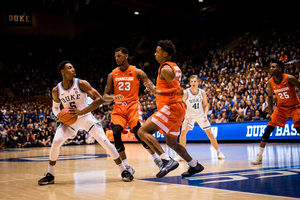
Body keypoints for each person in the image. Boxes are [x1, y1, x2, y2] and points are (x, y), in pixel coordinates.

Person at [38, 60, 133, 185]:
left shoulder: (81, 83)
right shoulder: (56, 90)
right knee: (55, 142)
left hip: (86, 118)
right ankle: (50, 174)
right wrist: (59, 117)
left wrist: (81, 112)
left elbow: (99, 100)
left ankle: (124, 170)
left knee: (105, 142)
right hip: (70, 121)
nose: (73, 69)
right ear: (62, 71)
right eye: (70, 68)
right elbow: (55, 108)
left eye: (73, 67)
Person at [138, 40, 204, 178]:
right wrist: (156, 90)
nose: (155, 54)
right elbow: (171, 88)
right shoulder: (173, 67)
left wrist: (157, 91)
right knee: (171, 142)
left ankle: (166, 160)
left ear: (165, 53)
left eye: (157, 51)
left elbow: (178, 90)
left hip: (171, 107)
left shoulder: (166, 69)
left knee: (142, 131)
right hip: (176, 108)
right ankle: (194, 165)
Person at [104, 47, 162, 175]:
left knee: (138, 132)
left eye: (119, 56)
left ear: (126, 56)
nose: (117, 59)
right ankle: (126, 166)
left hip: (133, 106)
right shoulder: (112, 74)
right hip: (119, 107)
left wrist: (160, 93)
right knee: (116, 132)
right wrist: (113, 97)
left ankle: (156, 158)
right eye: (115, 57)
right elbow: (105, 96)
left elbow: (151, 86)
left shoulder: (137, 72)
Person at [251, 60, 300, 164]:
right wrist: (270, 112)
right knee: (268, 129)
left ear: (280, 69)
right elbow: (269, 98)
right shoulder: (270, 82)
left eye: (274, 67)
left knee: (299, 128)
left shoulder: (289, 78)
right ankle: (259, 157)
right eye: (270, 67)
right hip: (281, 108)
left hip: (295, 107)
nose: (271, 69)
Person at [174, 75, 225, 161]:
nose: (193, 83)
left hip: (200, 115)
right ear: (190, 83)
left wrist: (205, 114)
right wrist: (185, 115)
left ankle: (218, 152)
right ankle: (181, 155)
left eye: (195, 81)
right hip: (190, 115)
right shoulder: (186, 92)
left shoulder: (202, 92)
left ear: (198, 82)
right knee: (183, 132)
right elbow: (181, 105)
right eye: (192, 81)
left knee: (210, 134)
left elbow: (206, 105)